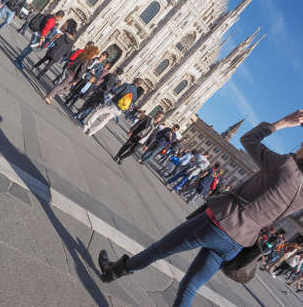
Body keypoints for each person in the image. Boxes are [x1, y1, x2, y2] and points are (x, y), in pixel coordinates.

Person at [97, 109, 303, 307]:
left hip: (219, 222)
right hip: (239, 242)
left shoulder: (286, 166)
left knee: (158, 250)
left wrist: (283, 123)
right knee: (191, 285)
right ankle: (113, 271)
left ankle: (111, 272)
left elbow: (248, 139)